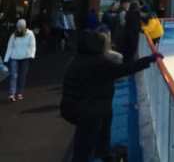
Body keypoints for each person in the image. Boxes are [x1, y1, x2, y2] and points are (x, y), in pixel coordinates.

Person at [61, 29, 162, 162]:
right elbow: (125, 69)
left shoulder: (77, 60)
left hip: (85, 107)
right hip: (89, 110)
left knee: (102, 126)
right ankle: (94, 154)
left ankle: (103, 152)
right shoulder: (97, 63)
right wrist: (148, 60)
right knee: (84, 144)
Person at [4, 19, 36, 102]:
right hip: (14, 57)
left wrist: (31, 55)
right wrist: (6, 58)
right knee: (13, 75)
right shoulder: (14, 35)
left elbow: (32, 45)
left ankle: (19, 93)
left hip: (25, 57)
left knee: (22, 75)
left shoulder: (30, 34)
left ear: (24, 27)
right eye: (18, 27)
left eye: (21, 27)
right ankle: (12, 94)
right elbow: (10, 46)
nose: (19, 29)